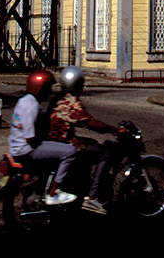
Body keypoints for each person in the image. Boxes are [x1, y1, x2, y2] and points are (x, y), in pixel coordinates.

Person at [48, 65, 125, 215]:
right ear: (77, 84)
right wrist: (115, 129)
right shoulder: (71, 101)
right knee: (106, 152)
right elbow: (91, 123)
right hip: (64, 145)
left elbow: (83, 119)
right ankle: (91, 197)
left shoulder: (59, 98)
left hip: (57, 142)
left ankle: (82, 185)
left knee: (93, 144)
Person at [9, 68, 78, 206]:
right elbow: (30, 138)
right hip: (27, 149)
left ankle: (47, 184)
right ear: (39, 88)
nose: (50, 91)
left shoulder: (24, 100)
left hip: (17, 147)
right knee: (70, 152)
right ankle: (54, 193)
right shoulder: (31, 106)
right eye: (48, 88)